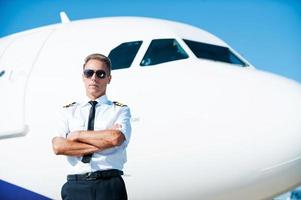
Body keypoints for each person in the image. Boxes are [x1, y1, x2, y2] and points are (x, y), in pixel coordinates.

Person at [52, 53, 131, 200]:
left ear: (109, 78)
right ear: (83, 77)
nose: (94, 78)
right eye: (89, 73)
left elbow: (115, 138)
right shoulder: (68, 110)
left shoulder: (120, 109)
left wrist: (77, 135)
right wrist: (104, 142)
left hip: (109, 186)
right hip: (76, 187)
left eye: (100, 74)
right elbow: (58, 147)